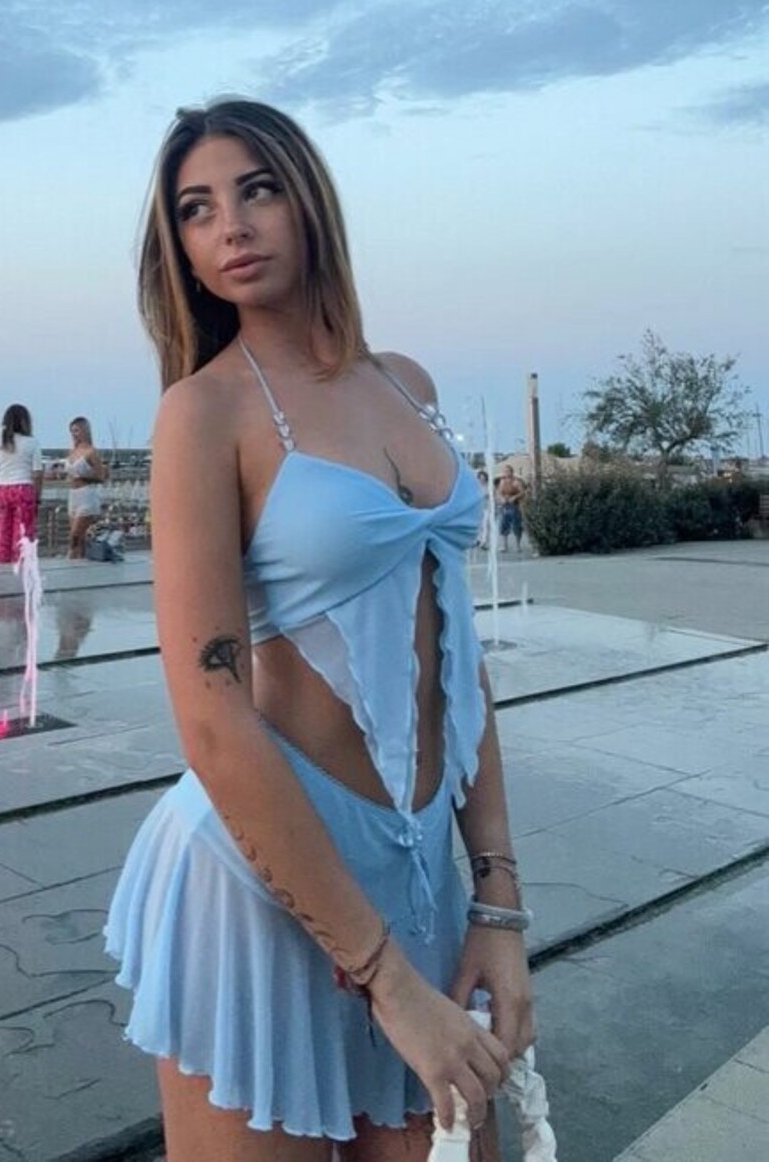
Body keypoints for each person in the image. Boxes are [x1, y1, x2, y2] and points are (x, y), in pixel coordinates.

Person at [105, 100, 533, 1161]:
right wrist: (387, 979)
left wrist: (499, 902)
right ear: (180, 250)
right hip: (259, 876)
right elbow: (210, 712)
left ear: (307, 200)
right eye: (196, 209)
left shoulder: (407, 384)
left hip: (422, 866)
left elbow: (459, 663)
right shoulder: (203, 414)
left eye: (256, 189)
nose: (231, 225)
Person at [0, 405, 43, 565]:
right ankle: (21, 568)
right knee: (23, 534)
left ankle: (1, 566)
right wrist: (38, 496)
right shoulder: (32, 443)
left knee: (1, 533)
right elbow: (37, 472)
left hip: (2, 489)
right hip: (24, 488)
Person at [63, 416, 107, 561]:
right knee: (79, 537)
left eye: (77, 430)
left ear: (84, 431)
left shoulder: (91, 452)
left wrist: (83, 478)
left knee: (75, 535)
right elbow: (69, 474)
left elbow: (101, 477)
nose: (74, 434)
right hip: (73, 495)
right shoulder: (72, 451)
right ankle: (81, 563)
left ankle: (70, 558)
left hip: (87, 494)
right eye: (72, 431)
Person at [496, 467, 525, 551]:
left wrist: (515, 497)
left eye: (508, 471)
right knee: (504, 525)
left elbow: (522, 492)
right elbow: (498, 493)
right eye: (505, 471)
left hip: (514, 506)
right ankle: (505, 546)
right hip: (504, 506)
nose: (506, 473)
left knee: (516, 525)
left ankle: (518, 546)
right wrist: (501, 498)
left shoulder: (516, 482)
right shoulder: (502, 482)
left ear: (512, 472)